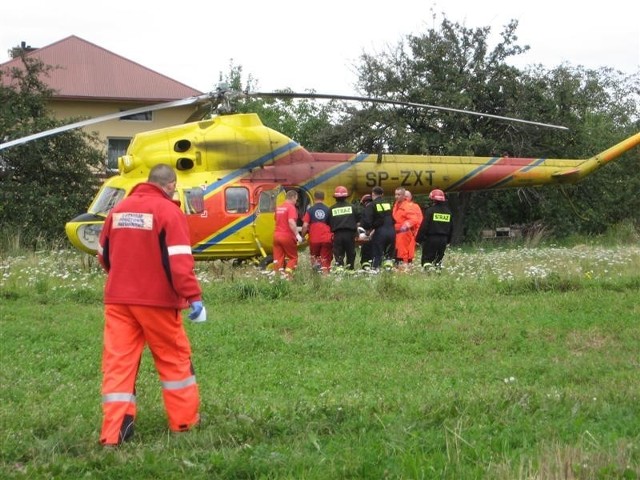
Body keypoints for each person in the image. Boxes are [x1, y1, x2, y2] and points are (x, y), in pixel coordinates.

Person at [97, 164, 204, 447]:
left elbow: (103, 255)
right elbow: (180, 264)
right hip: (157, 302)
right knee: (174, 360)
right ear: (170, 185)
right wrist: (193, 297)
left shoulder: (118, 210)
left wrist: (123, 278)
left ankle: (113, 432)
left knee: (118, 363)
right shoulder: (169, 211)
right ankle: (184, 422)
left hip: (118, 301)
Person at [416, 188, 454, 269]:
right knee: (438, 260)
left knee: (427, 259)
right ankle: (437, 275)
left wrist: (419, 239)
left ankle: (428, 273)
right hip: (443, 239)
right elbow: (451, 228)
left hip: (431, 239)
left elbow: (424, 226)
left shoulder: (430, 211)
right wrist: (448, 241)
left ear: (433, 200)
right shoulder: (448, 212)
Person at [361, 186, 395, 270]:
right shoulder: (387, 204)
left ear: (373, 194)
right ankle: (388, 273)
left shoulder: (371, 205)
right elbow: (393, 219)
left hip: (380, 233)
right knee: (388, 257)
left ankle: (376, 273)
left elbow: (367, 222)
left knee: (377, 255)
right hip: (391, 232)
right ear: (382, 194)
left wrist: (369, 229)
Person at [301, 190, 333, 274]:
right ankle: (325, 278)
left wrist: (302, 236)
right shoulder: (328, 210)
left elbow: (304, 226)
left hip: (314, 239)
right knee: (325, 260)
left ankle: (316, 278)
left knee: (315, 259)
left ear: (314, 198)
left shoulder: (310, 210)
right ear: (323, 198)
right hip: (326, 239)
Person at [273, 189, 302, 277]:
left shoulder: (278, 208)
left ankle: (278, 277)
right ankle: (287, 276)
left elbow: (277, 220)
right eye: (296, 199)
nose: (296, 201)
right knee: (293, 258)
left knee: (278, 258)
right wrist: (297, 235)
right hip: (287, 236)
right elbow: (291, 222)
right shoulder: (291, 208)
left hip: (276, 236)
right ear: (293, 197)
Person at [392, 187, 423, 269]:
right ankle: (400, 270)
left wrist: (405, 226)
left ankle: (404, 272)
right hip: (396, 233)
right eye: (396, 194)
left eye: (399, 195)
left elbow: (415, 220)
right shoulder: (396, 205)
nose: (396, 196)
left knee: (403, 254)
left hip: (404, 233)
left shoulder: (409, 206)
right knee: (397, 254)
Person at [328, 185, 357, 270]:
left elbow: (328, 222)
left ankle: (339, 270)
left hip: (337, 235)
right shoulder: (352, 207)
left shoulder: (331, 209)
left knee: (338, 254)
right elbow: (358, 219)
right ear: (346, 197)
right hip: (350, 234)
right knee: (351, 253)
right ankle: (350, 270)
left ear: (335, 197)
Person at [403, 190, 423, 265]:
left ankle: (407, 269)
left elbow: (419, 221)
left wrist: (417, 234)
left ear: (411, 197)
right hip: (399, 235)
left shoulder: (415, 207)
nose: (405, 198)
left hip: (411, 233)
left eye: (406, 196)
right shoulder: (397, 206)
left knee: (409, 254)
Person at [357, 194, 373, 269]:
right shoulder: (376, 208)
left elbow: (365, 223)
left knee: (366, 252)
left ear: (364, 202)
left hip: (367, 235)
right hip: (376, 234)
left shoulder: (366, 210)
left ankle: (366, 267)